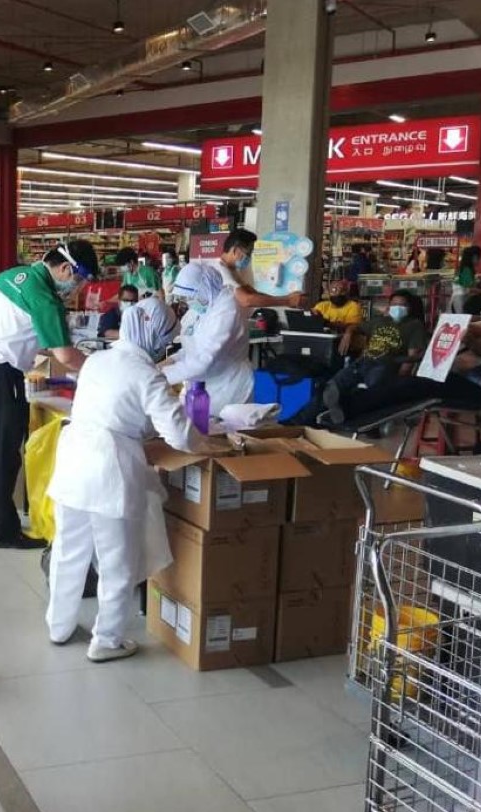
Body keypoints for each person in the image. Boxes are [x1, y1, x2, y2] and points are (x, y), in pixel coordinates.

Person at [46, 298, 217, 661]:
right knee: (117, 559)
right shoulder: (146, 373)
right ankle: (106, 641)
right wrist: (208, 445)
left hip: (74, 456)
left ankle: (58, 625)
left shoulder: (97, 360)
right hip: (109, 465)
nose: (164, 347)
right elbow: (178, 433)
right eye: (165, 338)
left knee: (68, 548)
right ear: (154, 336)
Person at [0, 241, 93, 550]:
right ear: (65, 269)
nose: (74, 289)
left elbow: (29, 332)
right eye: (77, 281)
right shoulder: (45, 299)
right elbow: (65, 356)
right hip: (1, 376)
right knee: (4, 455)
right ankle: (3, 531)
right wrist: (102, 366)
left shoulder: (9, 276)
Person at [308, 290, 428, 426]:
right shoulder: (380, 321)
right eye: (394, 304)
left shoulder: (414, 325)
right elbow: (355, 326)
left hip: (385, 365)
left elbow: (413, 356)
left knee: (369, 394)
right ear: (389, 306)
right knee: (332, 388)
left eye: (402, 305)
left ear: (410, 308)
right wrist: (348, 332)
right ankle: (332, 414)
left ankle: (359, 417)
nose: (397, 308)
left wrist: (400, 378)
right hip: (363, 361)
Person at [163, 261, 253, 415]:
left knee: (223, 433)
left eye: (191, 296)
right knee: (201, 430)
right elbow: (193, 347)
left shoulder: (227, 310)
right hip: (203, 386)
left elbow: (204, 361)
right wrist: (170, 360)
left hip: (230, 386)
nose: (189, 301)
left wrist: (159, 375)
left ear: (204, 289)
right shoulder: (202, 307)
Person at [212, 228, 305, 310]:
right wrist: (287, 301)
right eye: (248, 254)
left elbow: (253, 293)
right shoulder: (221, 271)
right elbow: (247, 300)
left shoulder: (233, 271)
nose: (249, 258)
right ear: (235, 250)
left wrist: (287, 298)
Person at [453, 245, 481, 313]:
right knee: (462, 318)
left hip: (460, 297)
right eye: (479, 257)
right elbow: (469, 288)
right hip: (460, 298)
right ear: (474, 257)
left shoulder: (464, 268)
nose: (480, 260)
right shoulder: (466, 270)